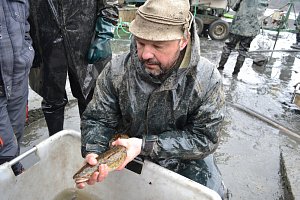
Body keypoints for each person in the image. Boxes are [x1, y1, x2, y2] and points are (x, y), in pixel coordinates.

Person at [78, 0, 228, 198]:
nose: (145, 54)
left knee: (214, 192)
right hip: (124, 150)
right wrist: (94, 151)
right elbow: (98, 119)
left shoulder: (207, 79)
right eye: (140, 43)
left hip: (180, 156)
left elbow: (204, 138)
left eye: (158, 45)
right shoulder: (116, 70)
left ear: (184, 40)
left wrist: (145, 145)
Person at [28, 0, 118, 136]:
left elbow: (110, 2)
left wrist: (103, 34)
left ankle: (90, 141)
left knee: (88, 93)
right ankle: (56, 143)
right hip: (45, 37)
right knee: (51, 98)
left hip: (85, 35)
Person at [0, 0, 35, 175]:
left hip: (18, 78)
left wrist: (26, 53)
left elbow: (24, 24)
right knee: (7, 149)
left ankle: (16, 177)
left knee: (17, 136)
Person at [217, 0, 269, 75]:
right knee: (243, 51)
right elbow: (261, 13)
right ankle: (235, 73)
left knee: (228, 46)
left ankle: (220, 68)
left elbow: (234, 7)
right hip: (252, 29)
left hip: (238, 26)